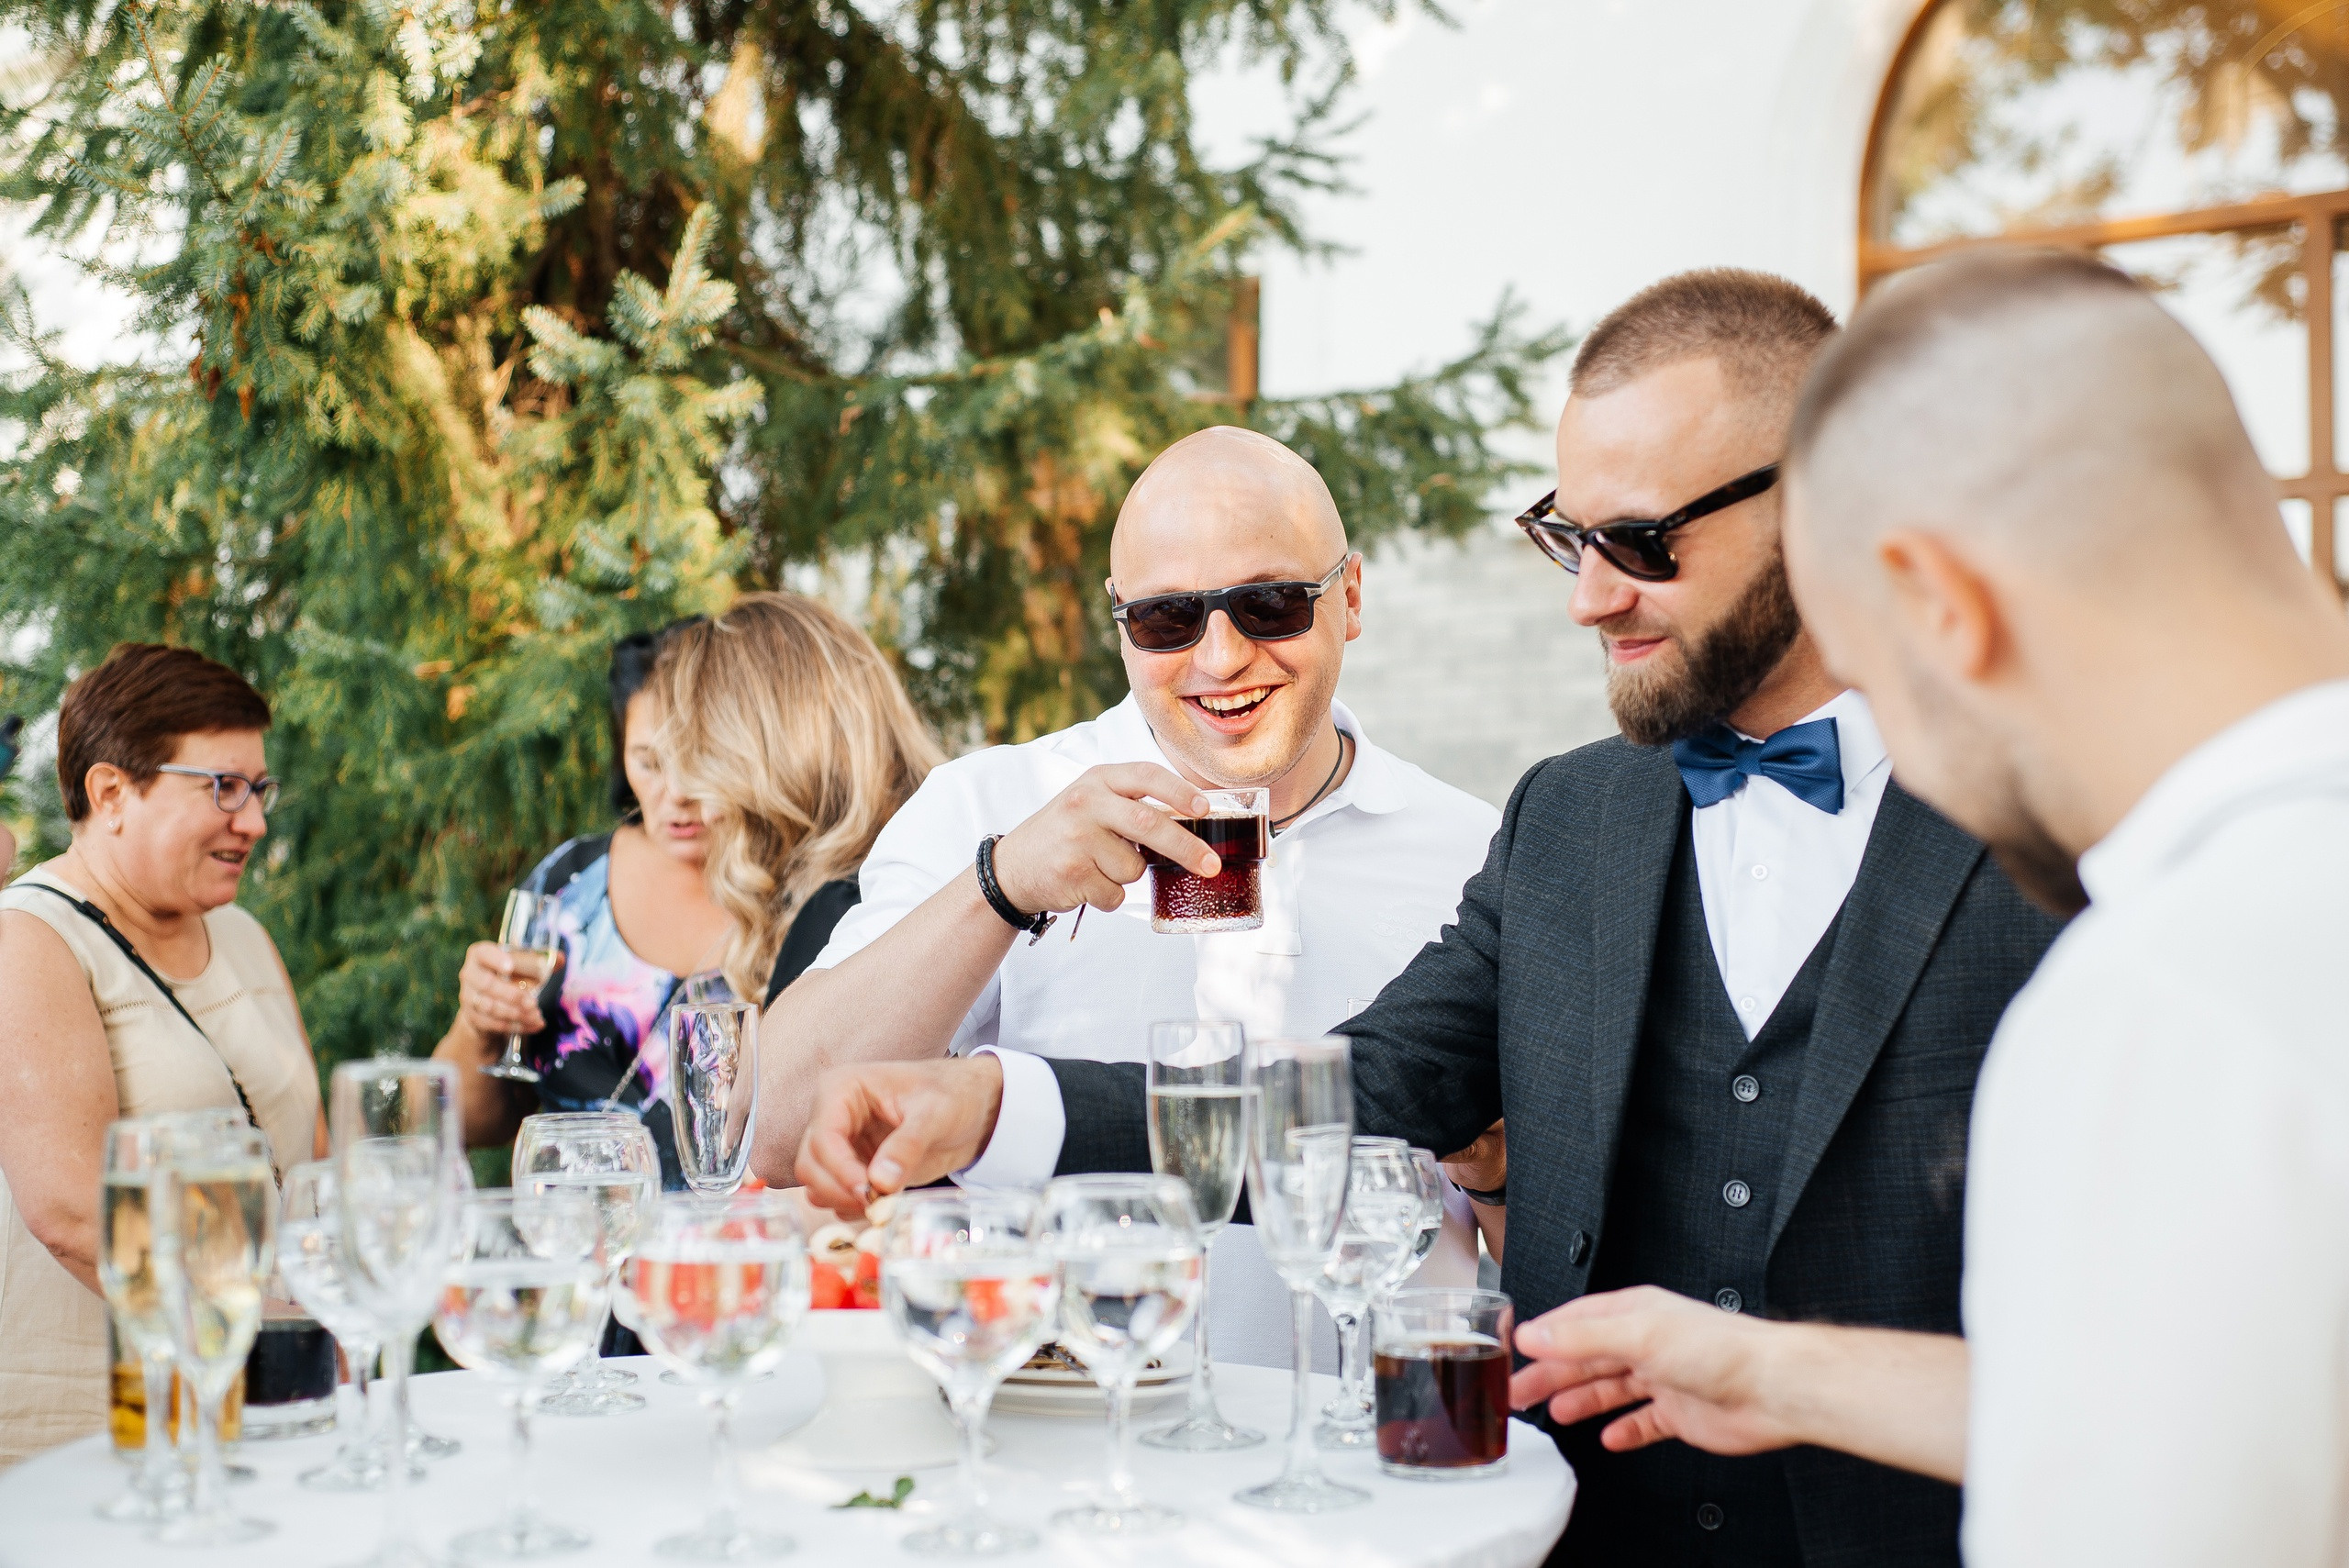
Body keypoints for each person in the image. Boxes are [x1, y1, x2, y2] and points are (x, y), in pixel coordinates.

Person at [792, 271, 2068, 1565]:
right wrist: (999, 1105)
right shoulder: (1572, 818)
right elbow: (1370, 1085)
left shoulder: (2050, 814)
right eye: (1570, 541)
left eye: (1643, 543)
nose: (1590, 598)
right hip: (1583, 1534)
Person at [1504, 250, 2349, 1565]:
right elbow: (2173, 1411)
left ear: (1941, 606)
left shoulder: (2160, 1000)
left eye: (1875, 675)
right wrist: (1776, 1371)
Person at [755, 426, 1503, 1367]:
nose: (1221, 656)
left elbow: (1548, 1260)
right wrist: (1004, 884)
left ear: (1347, 598)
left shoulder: (1472, 849)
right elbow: (775, 1126)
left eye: (1270, 605)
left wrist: (1495, 1177)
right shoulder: (987, 805)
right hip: (1060, 1450)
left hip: (1358, 1473)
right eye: (1167, 619)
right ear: (1118, 619)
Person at [436, 594, 938, 1187]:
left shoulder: (833, 898)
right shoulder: (571, 886)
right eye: (650, 762)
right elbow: (472, 1120)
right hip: (581, 1250)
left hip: (726, 1260)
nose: (677, 792)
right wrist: (480, 1027)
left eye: (701, 757)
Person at [0, 643, 327, 1469]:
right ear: (111, 792)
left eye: (259, 788)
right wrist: (278, 1332)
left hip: (267, 1420)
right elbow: (75, 1214)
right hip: (97, 1448)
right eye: (221, 786)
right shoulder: (29, 939)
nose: (252, 819)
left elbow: (315, 1164)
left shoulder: (245, 935)